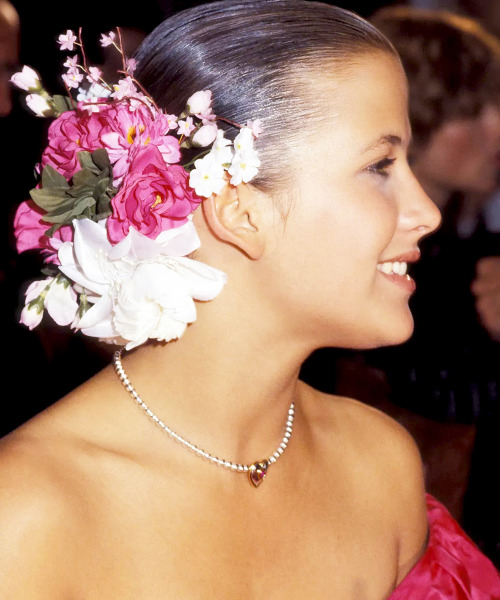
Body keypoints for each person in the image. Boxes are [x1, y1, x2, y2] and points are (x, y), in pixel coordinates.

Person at [1, 1, 498, 597]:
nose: (427, 213)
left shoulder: (380, 463)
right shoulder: (29, 514)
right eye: (381, 165)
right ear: (237, 211)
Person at [301, 4, 500, 561]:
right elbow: (439, 397)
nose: (499, 126)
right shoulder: (363, 263)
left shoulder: (469, 251)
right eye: (477, 107)